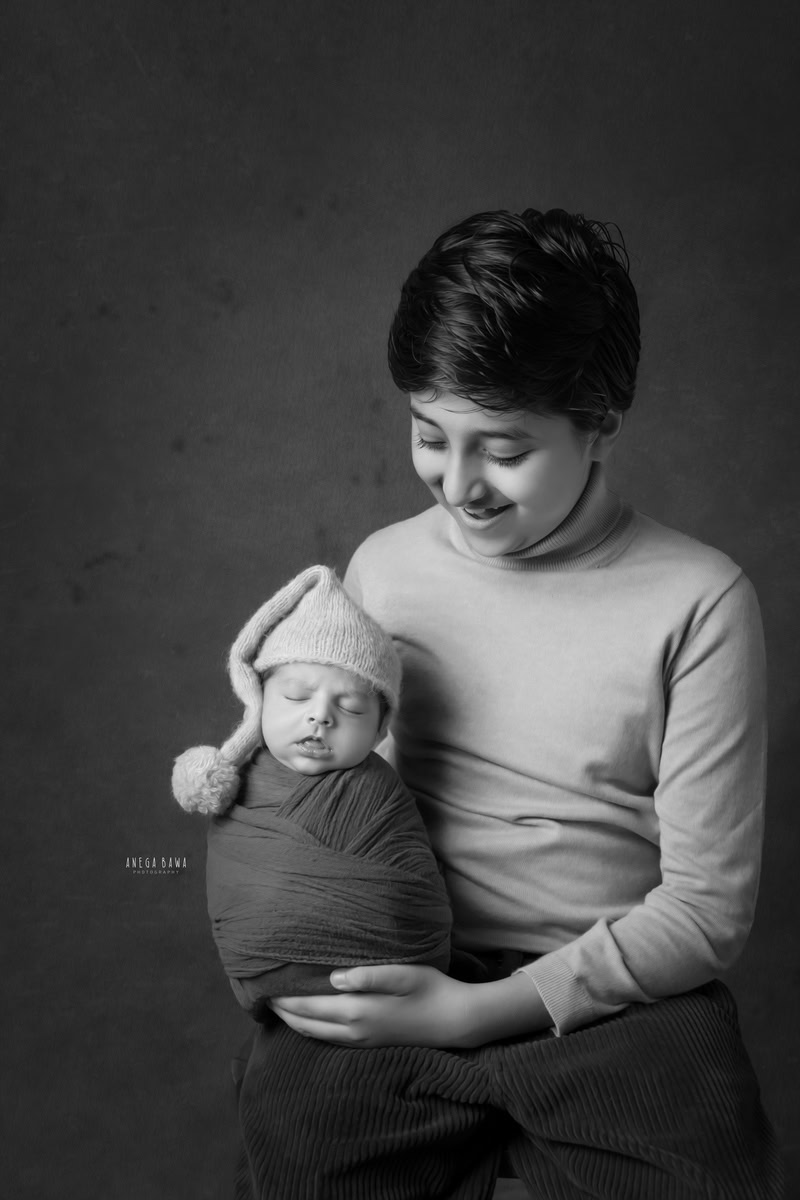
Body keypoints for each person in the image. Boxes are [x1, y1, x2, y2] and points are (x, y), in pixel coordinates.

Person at [262, 209, 783, 1198]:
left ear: (597, 425)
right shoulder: (383, 567)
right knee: (294, 1149)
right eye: (428, 436)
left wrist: (482, 1011)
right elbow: (338, 798)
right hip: (404, 952)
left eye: (501, 450)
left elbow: (705, 909)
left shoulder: (698, 600)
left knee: (698, 1172)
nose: (457, 485)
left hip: (617, 988)